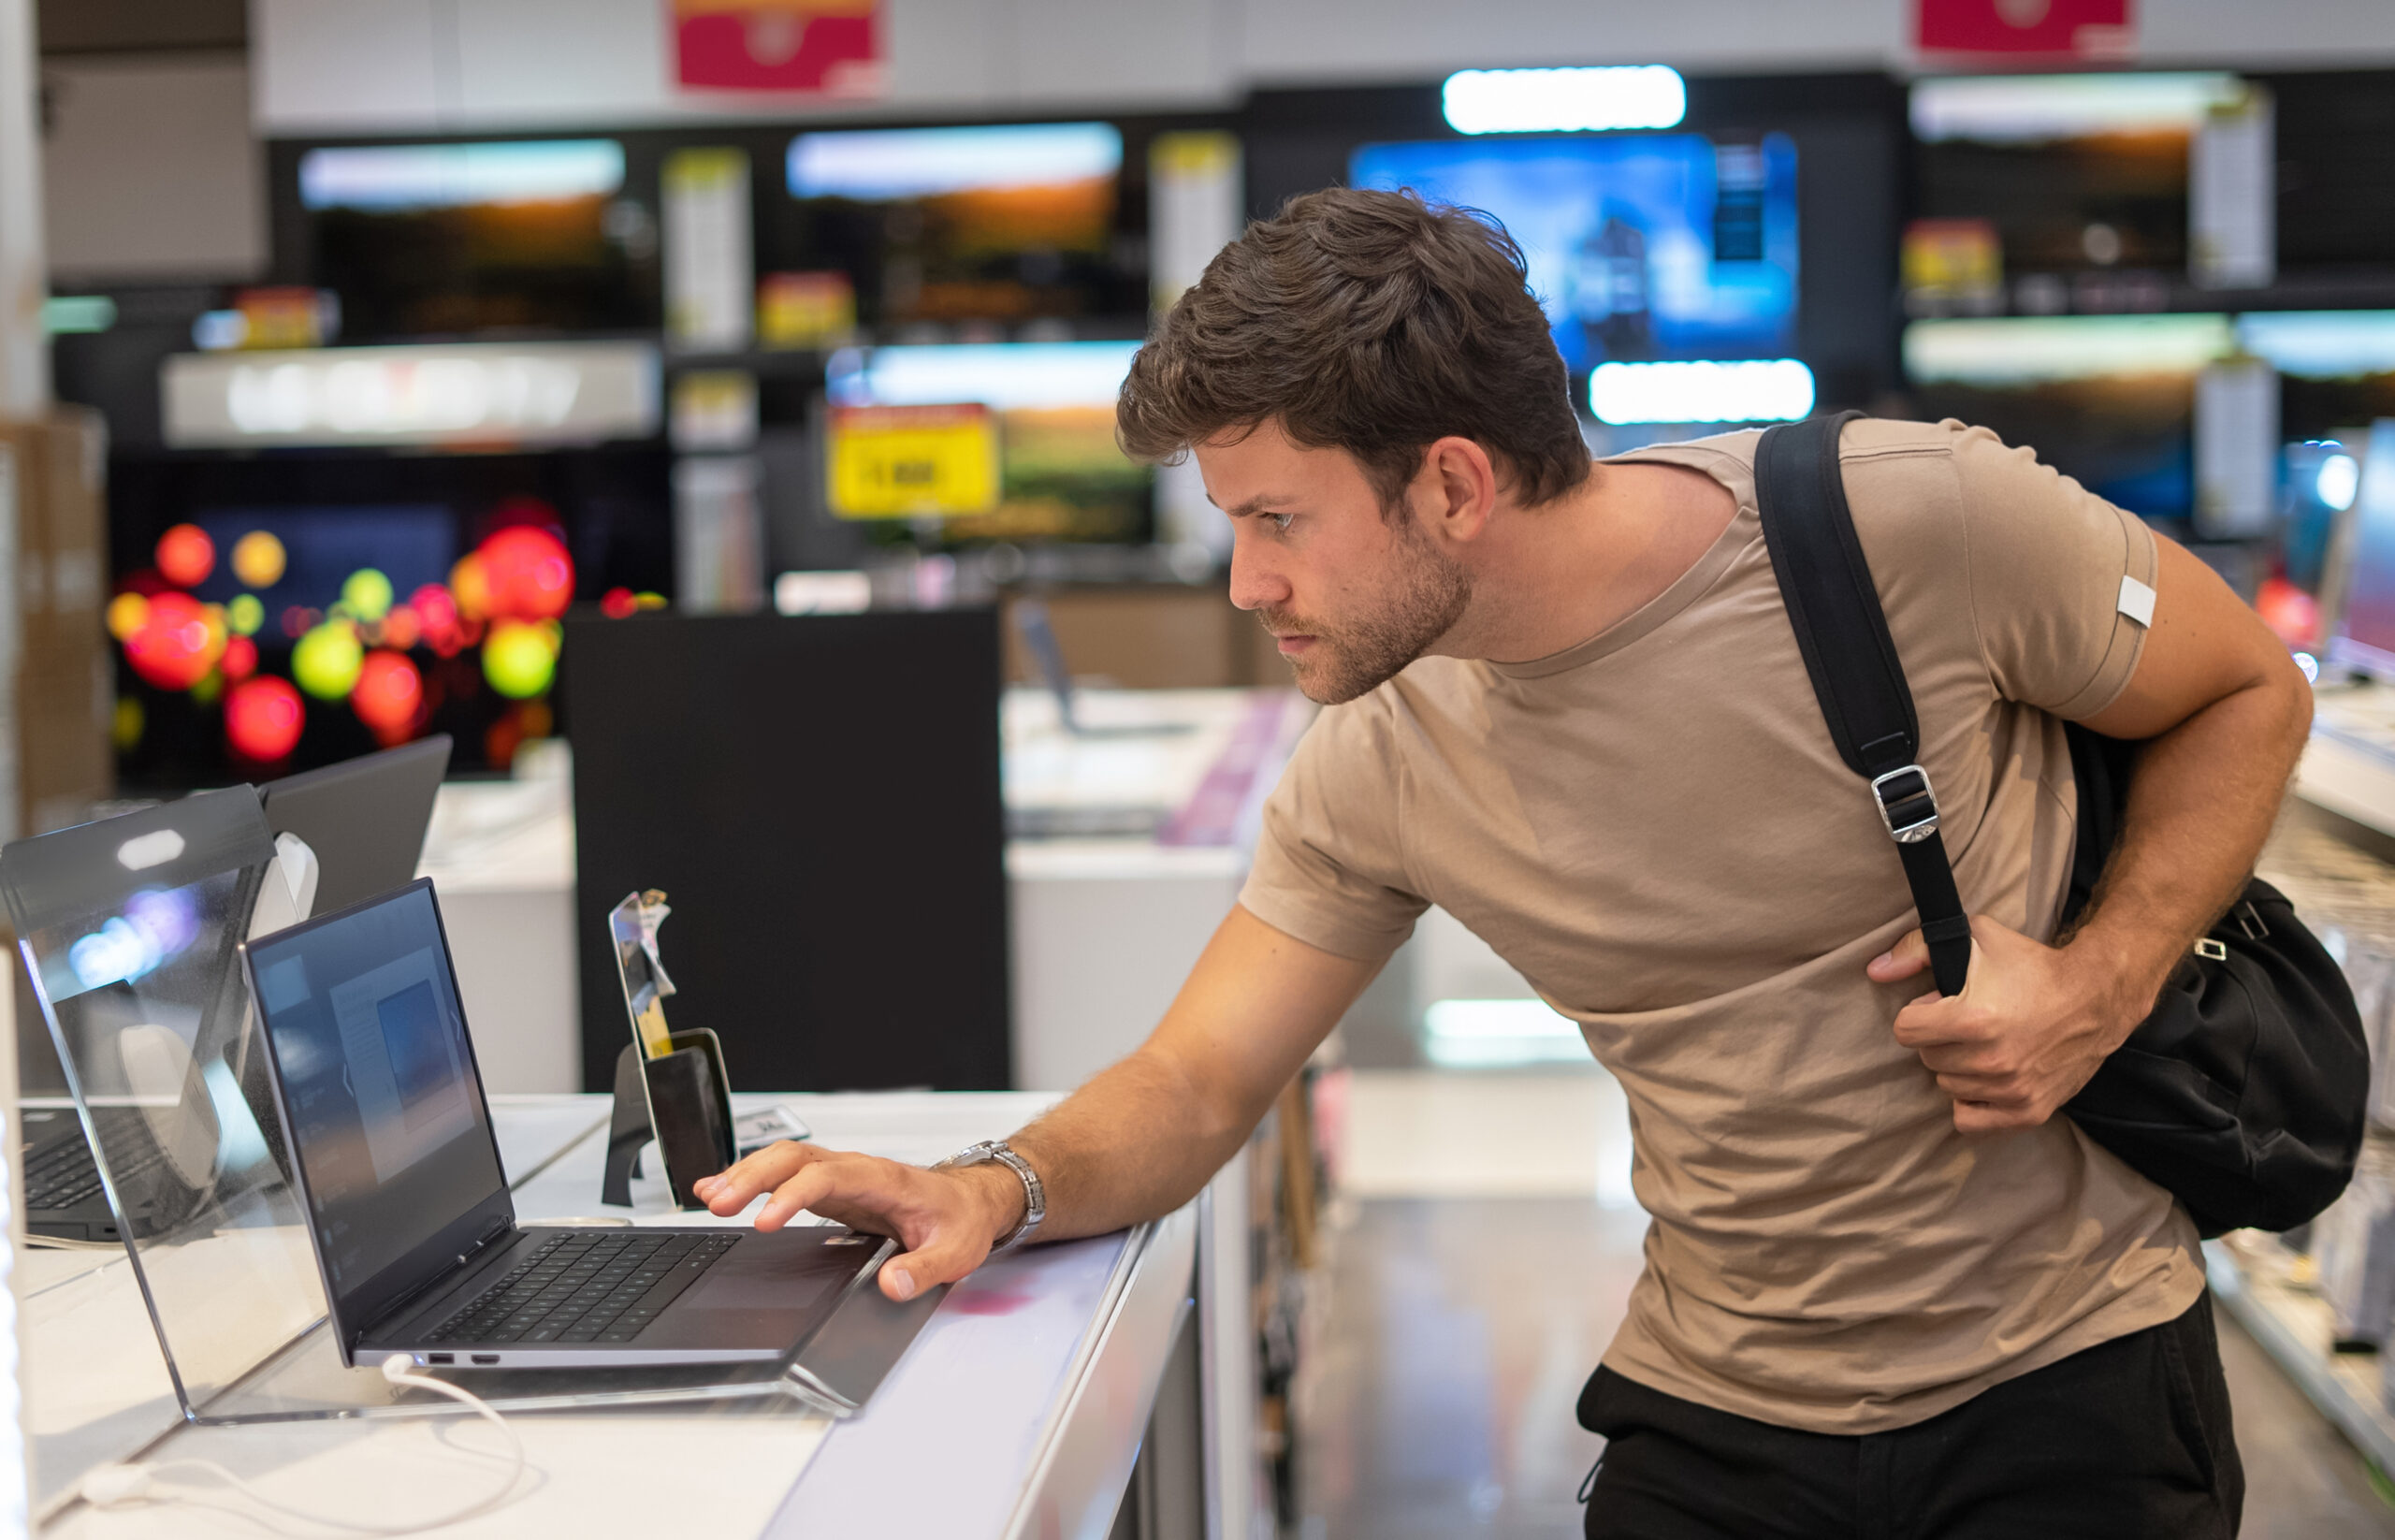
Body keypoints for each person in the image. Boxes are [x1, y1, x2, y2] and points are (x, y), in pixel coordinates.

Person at [694, 188, 2308, 1537]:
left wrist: (2100, 983)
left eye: (1279, 520)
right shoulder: (1384, 756)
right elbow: (1195, 1083)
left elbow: (2250, 689)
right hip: (1722, 1413)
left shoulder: (1905, 526)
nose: (1248, 582)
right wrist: (992, 1184)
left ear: (1454, 483)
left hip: (2071, 1392)